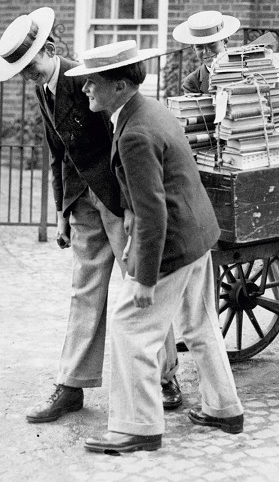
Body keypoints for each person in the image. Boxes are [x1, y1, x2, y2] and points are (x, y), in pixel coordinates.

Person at [0, 8, 180, 422]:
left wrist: (131, 206)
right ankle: (72, 385)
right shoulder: (42, 89)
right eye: (21, 70)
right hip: (82, 201)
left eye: (31, 64)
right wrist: (62, 211)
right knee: (84, 290)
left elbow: (124, 141)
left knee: (139, 283)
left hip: (116, 197)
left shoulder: (84, 80)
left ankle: (166, 377)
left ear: (49, 49)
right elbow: (58, 153)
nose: (27, 74)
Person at [66, 40, 243, 454]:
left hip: (174, 243)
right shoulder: (147, 110)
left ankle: (139, 427)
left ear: (120, 86)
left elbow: (154, 213)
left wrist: (145, 279)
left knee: (129, 327)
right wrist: (130, 211)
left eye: (93, 82)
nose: (86, 88)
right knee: (200, 324)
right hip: (197, 236)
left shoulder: (135, 132)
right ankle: (224, 409)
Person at [173, 9, 241, 95]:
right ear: (193, 48)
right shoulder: (192, 82)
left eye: (212, 44)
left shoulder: (246, 67)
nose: (206, 51)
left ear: (225, 40)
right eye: (199, 47)